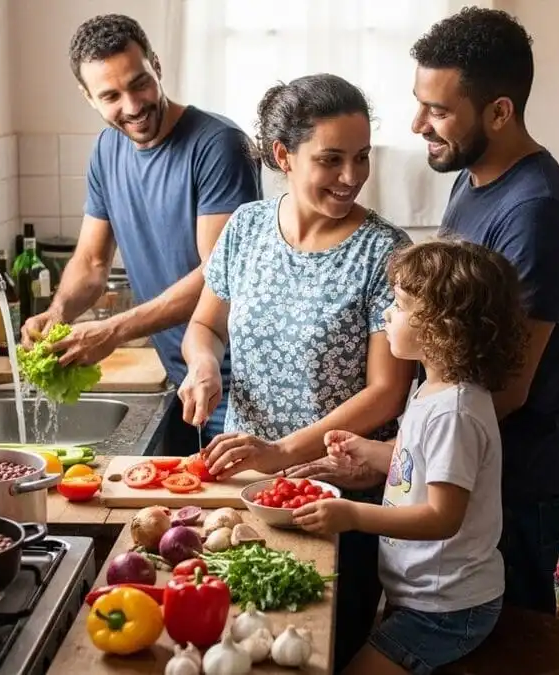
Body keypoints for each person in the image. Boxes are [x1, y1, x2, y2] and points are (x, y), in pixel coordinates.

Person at [177, 73, 417, 671]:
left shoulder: (384, 251)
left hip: (341, 493)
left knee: (323, 655)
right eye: (331, 159)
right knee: (242, 645)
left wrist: (281, 451)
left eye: (360, 158)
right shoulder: (246, 229)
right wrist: (203, 366)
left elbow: (387, 393)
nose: (351, 176)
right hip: (248, 490)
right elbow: (205, 326)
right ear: (283, 156)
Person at [408, 7, 559, 615]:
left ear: (500, 111)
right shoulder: (473, 177)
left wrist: (402, 452)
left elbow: (508, 388)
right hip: (467, 470)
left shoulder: (536, 213)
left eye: (438, 111)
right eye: (420, 103)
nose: (419, 124)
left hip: (515, 489)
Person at [20, 14, 262, 444]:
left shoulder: (218, 145)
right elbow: (92, 263)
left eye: (139, 83)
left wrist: (114, 330)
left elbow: (218, 276)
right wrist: (58, 315)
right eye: (111, 95)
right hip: (183, 374)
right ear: (88, 97)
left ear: (157, 64)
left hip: (241, 379)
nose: (132, 106)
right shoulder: (106, 149)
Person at [293, 239, 528, 675]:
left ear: (444, 326)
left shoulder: (455, 413)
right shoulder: (431, 391)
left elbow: (442, 516)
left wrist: (353, 515)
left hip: (448, 609)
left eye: (399, 305)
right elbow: (418, 466)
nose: (387, 313)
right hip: (423, 596)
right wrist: (367, 450)